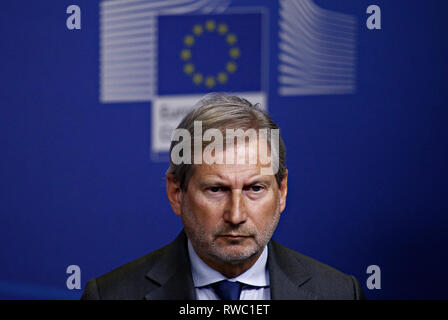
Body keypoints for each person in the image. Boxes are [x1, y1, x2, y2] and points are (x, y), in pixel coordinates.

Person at [81, 93, 365, 300]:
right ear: (176, 192)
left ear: (282, 191)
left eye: (255, 188)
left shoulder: (340, 293)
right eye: (216, 190)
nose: (236, 215)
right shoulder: (110, 296)